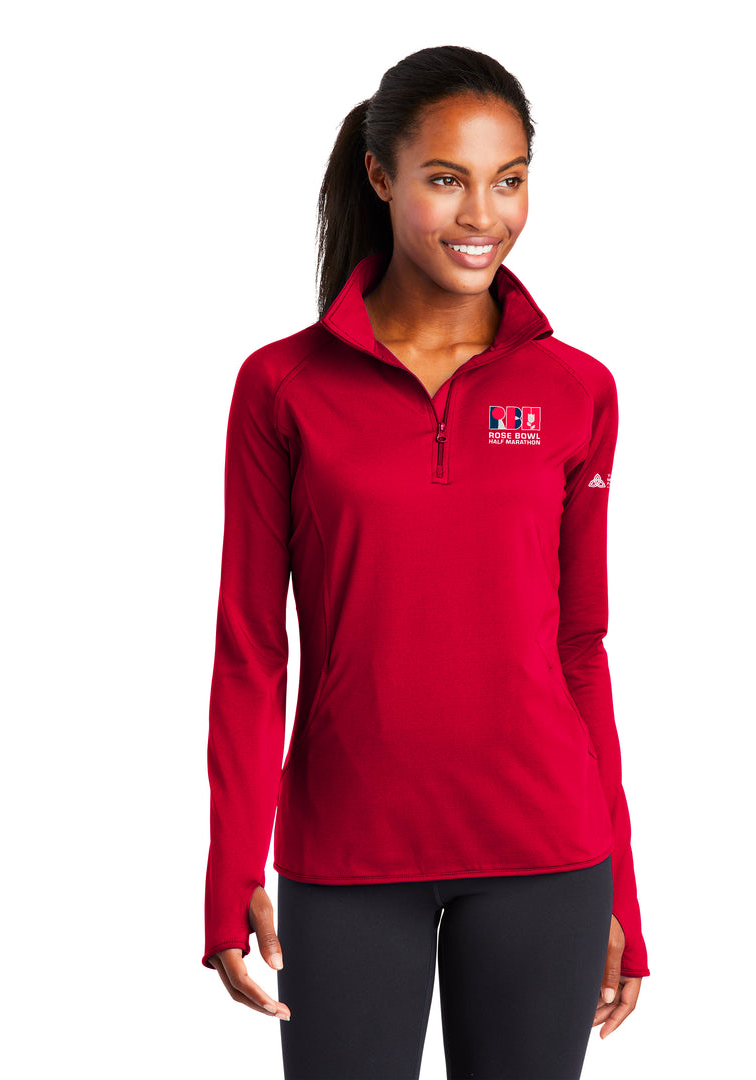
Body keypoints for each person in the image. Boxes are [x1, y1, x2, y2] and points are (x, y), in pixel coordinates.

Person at [202, 44, 651, 1079]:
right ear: (380, 174)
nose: (482, 214)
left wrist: (623, 886)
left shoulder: (578, 390)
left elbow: (581, 647)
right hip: (348, 854)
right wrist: (231, 865)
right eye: (447, 179)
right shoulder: (281, 387)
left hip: (547, 855)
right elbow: (250, 647)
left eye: (509, 179)